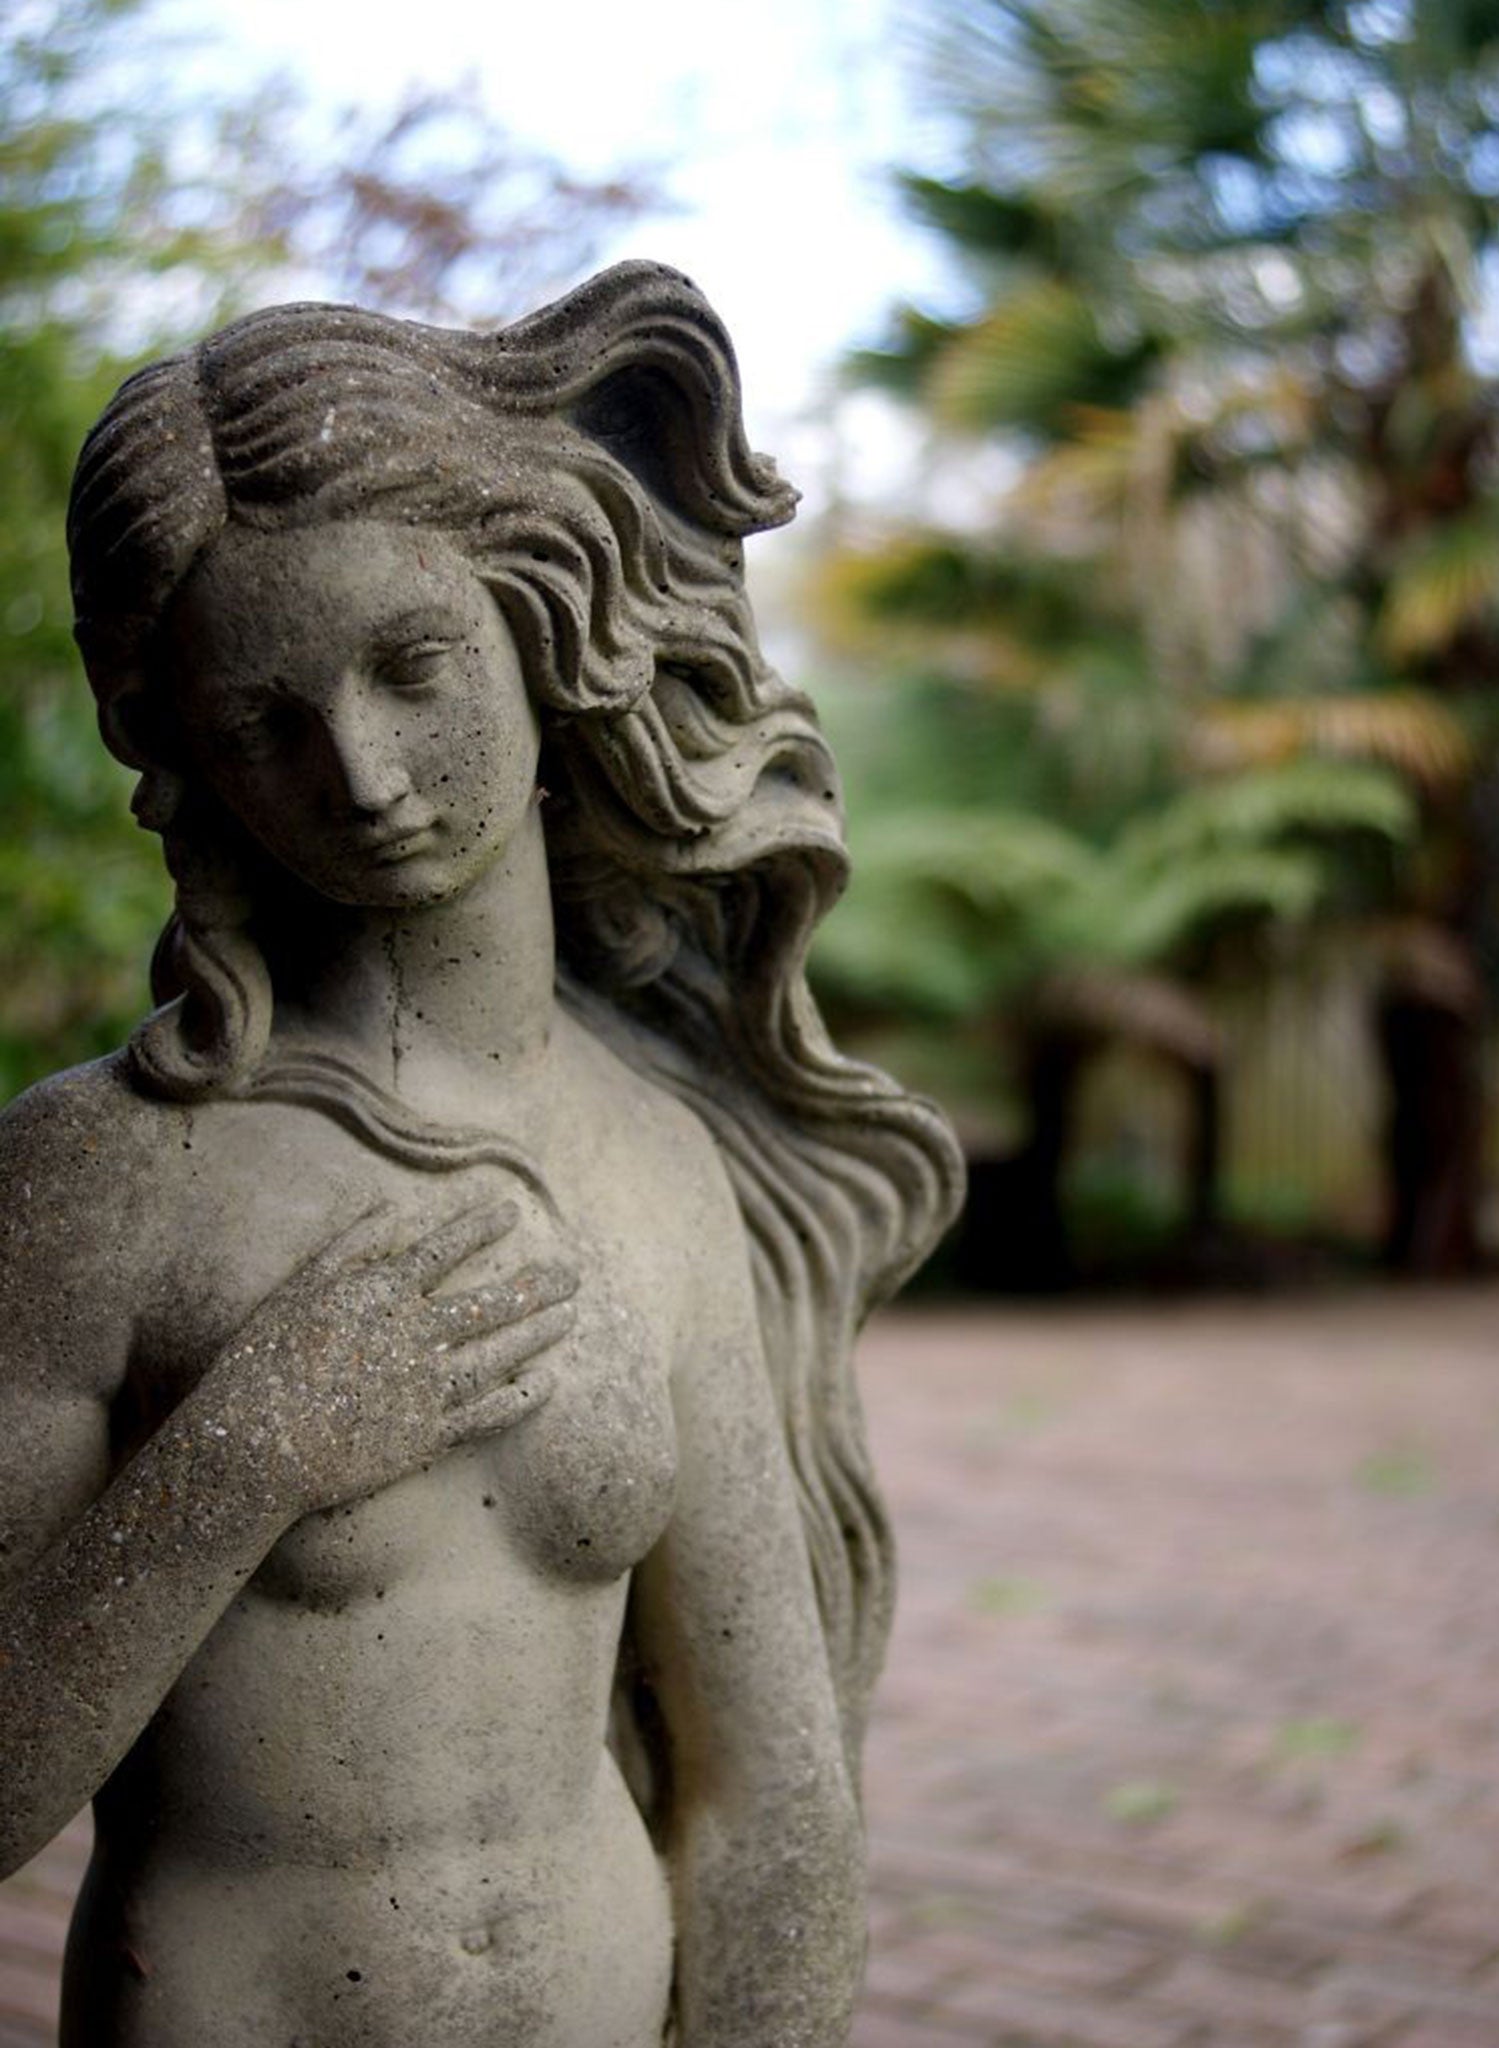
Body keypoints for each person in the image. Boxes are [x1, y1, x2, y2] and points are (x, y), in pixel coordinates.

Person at [0, 262, 962, 2046]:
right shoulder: (108, 1177)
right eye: (265, 723)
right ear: (196, 765)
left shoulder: (660, 1171)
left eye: (407, 665)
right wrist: (248, 1454)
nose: (357, 771)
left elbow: (768, 1792)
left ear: (535, 628)